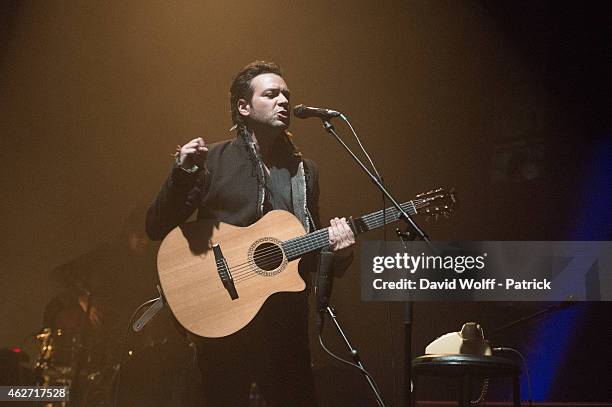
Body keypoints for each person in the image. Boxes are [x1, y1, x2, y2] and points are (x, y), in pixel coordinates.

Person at [146, 61, 355, 406]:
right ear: (244, 107)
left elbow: (309, 251)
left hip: (284, 326)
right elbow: (155, 226)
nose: (284, 102)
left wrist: (341, 252)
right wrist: (181, 174)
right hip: (223, 318)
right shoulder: (212, 160)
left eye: (286, 95)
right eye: (271, 94)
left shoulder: (304, 173)